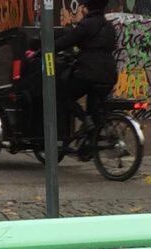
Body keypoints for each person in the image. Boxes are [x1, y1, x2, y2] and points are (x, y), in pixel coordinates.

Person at [54, 0, 117, 151]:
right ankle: (91, 140)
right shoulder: (109, 27)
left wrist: (44, 48)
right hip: (109, 74)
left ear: (86, 8)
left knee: (63, 95)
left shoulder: (86, 25)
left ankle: (85, 120)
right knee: (94, 106)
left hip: (89, 73)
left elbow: (65, 42)